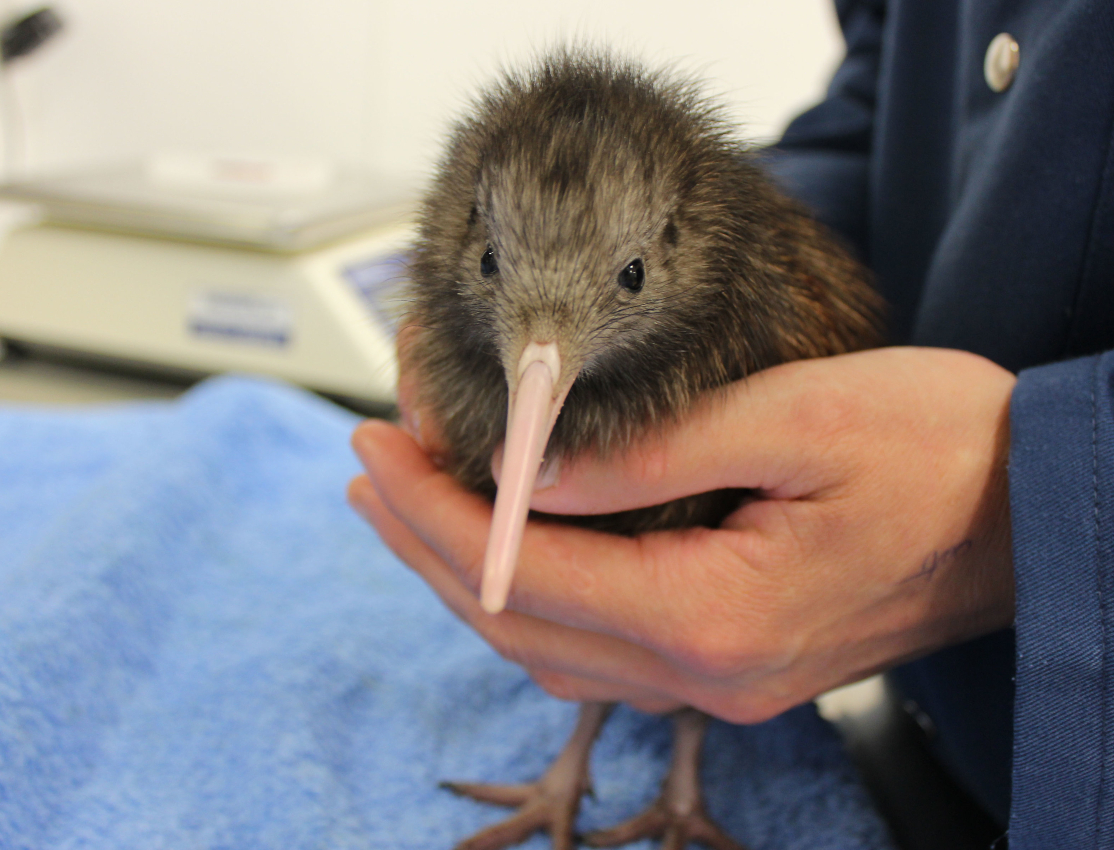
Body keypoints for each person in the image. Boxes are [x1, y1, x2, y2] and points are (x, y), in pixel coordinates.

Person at [347, 1, 1114, 846]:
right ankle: (576, 762)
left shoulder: (737, 344)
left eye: (630, 275)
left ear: (671, 246)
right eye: (494, 264)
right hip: (914, 744)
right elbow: (891, 90)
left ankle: (681, 775)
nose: (544, 354)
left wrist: (1039, 497)